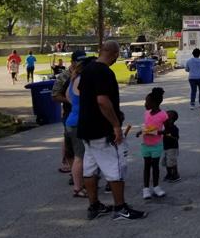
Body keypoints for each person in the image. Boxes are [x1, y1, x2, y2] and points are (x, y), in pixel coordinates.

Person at [77, 40, 146, 220]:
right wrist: (116, 125)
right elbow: (102, 101)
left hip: (86, 128)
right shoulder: (103, 72)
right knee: (116, 167)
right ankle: (120, 208)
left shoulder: (88, 69)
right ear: (115, 54)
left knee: (90, 169)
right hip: (102, 129)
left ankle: (94, 205)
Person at [53, 50, 88, 175]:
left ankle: (81, 175)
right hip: (69, 114)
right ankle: (75, 174)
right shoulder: (64, 76)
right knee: (72, 148)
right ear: (73, 62)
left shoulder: (86, 73)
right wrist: (72, 100)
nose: (82, 64)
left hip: (85, 114)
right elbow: (55, 96)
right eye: (79, 61)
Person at [64, 52, 90, 197]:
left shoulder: (73, 79)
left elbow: (69, 97)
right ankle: (78, 187)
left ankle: (81, 184)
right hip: (78, 123)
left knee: (79, 156)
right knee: (80, 157)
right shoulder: (81, 80)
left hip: (72, 120)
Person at [135, 87, 168, 199]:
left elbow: (168, 130)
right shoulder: (147, 113)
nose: (145, 104)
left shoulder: (163, 115)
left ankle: (156, 187)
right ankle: (146, 189)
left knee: (155, 166)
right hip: (146, 144)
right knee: (146, 166)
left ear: (154, 103)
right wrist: (141, 131)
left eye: (147, 102)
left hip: (156, 144)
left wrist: (157, 131)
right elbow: (146, 127)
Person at [162, 110, 181, 182]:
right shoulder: (164, 128)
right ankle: (169, 173)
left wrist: (169, 135)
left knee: (172, 162)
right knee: (167, 162)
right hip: (166, 147)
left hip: (172, 148)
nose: (165, 120)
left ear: (173, 120)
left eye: (168, 118)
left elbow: (176, 138)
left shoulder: (174, 128)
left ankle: (175, 174)